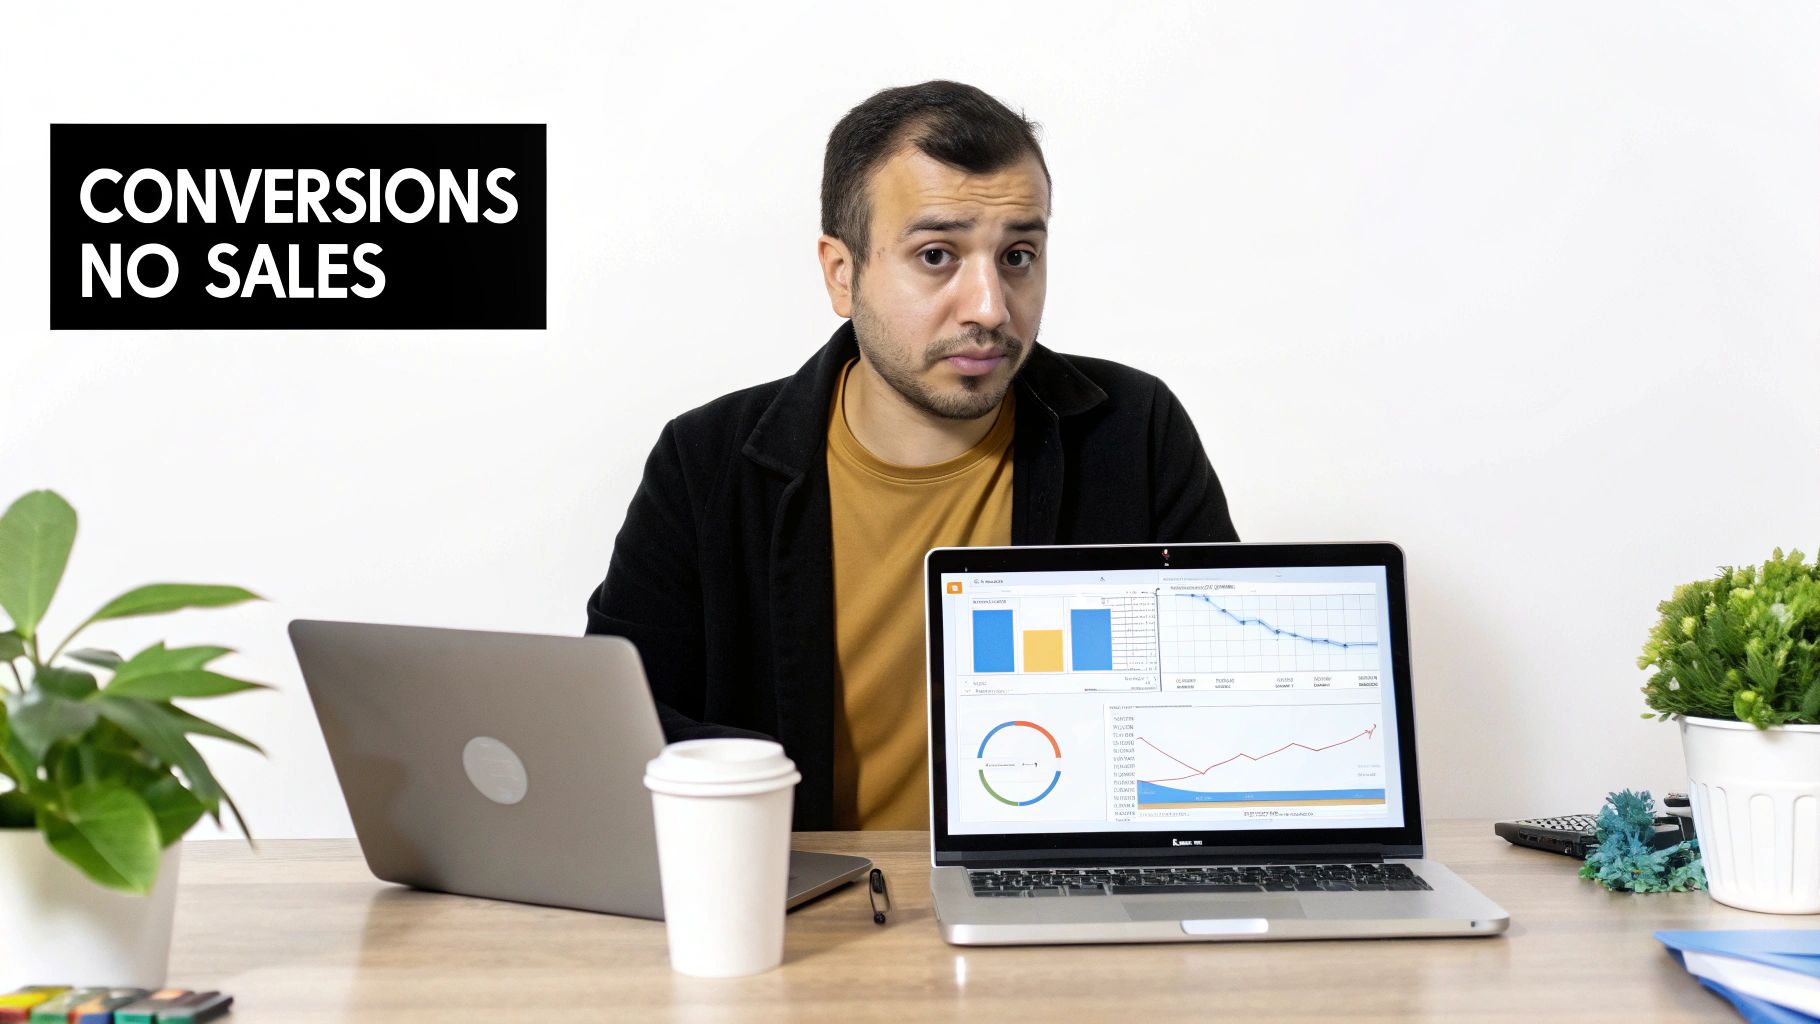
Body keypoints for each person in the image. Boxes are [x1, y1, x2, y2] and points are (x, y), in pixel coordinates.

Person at [586, 80, 1238, 831]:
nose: (990, 308)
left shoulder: (1134, 432)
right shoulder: (705, 462)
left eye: (1019, 255)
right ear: (841, 272)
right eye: (937, 256)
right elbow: (620, 733)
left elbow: (1216, 711)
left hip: (1055, 896)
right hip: (794, 903)